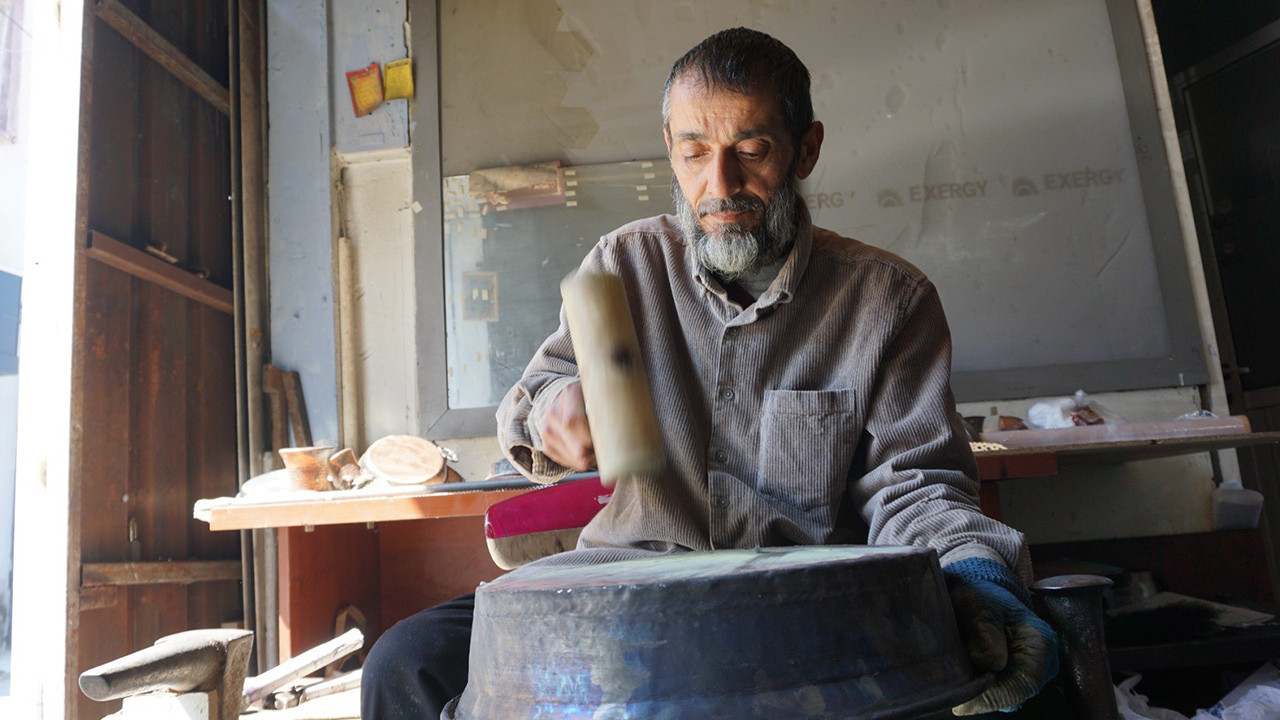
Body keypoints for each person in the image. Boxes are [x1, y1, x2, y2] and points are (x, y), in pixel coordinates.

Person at [363, 27, 1057, 719]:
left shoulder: (887, 301)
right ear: (670, 149)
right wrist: (550, 415)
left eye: (750, 151)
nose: (718, 185)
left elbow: (919, 487)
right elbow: (536, 395)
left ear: (805, 149)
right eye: (694, 152)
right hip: (628, 579)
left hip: (804, 598)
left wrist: (976, 574)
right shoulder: (625, 265)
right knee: (406, 664)